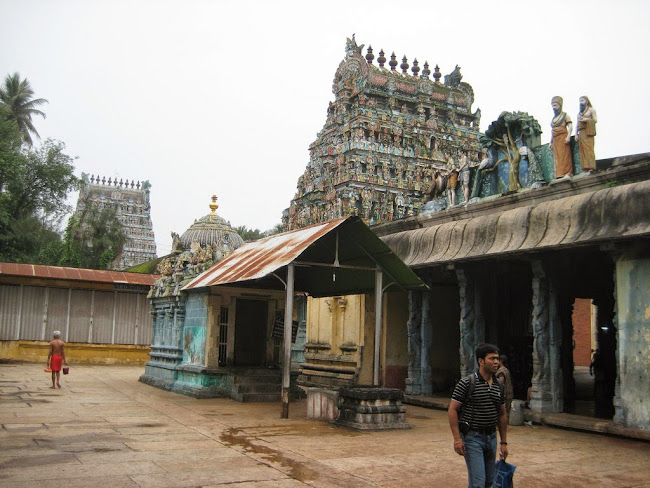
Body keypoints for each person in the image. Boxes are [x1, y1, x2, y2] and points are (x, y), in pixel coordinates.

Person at [449, 343, 509, 488]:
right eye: (492, 358)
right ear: (481, 361)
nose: (496, 362)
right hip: (472, 438)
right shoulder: (467, 383)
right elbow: (452, 410)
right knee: (478, 483)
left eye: (497, 358)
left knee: (490, 481)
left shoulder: (498, 386)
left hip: (491, 437)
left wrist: (503, 442)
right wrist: (457, 439)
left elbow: (502, 414)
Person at [549, 96, 573, 179]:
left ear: (560, 105)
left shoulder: (565, 116)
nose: (553, 108)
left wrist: (568, 136)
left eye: (555, 105)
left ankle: (567, 173)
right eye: (552, 106)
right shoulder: (553, 119)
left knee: (565, 156)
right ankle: (559, 174)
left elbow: (570, 126)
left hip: (563, 137)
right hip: (555, 140)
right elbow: (552, 131)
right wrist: (550, 142)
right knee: (557, 158)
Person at [576, 96, 597, 173]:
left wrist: (585, 120)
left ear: (587, 101)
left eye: (582, 100)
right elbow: (577, 124)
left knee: (589, 149)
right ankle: (585, 167)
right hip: (581, 132)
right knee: (582, 150)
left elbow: (595, 120)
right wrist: (576, 134)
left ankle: (591, 166)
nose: (581, 102)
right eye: (579, 101)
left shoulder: (591, 110)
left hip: (588, 131)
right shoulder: (579, 113)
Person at [496, 354, 514, 421]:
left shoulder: (501, 371)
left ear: (500, 361)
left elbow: (501, 382)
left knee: (503, 411)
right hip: (508, 393)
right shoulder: (506, 370)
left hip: (504, 394)